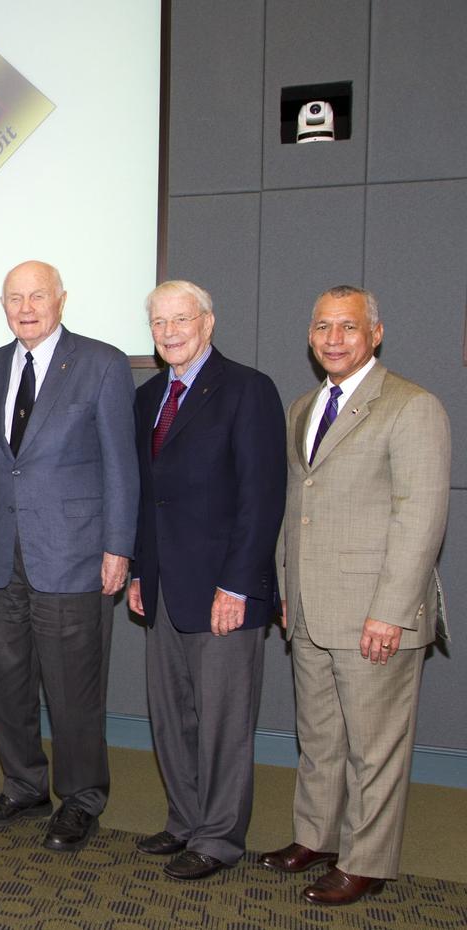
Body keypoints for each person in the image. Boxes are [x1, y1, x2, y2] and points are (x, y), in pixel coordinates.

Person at [261, 285, 450, 905]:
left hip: (375, 614)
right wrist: (289, 588)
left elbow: (419, 521)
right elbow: (297, 509)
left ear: (376, 333)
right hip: (312, 608)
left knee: (374, 750)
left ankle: (365, 860)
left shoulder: (411, 407)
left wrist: (391, 613)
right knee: (318, 738)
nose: (333, 339)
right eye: (322, 327)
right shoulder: (302, 408)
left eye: (347, 327)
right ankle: (314, 837)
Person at [0, 260, 137, 850]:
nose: (27, 307)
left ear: (62, 299)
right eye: (15, 298)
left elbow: (120, 462)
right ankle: (23, 784)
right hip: (4, 555)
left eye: (38, 295)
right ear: (3, 305)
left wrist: (118, 547)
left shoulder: (102, 363)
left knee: (72, 690)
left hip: (74, 553)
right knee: (7, 683)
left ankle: (81, 799)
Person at [126, 281, 286, 880]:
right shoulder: (147, 399)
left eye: (181, 319)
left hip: (224, 588)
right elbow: (148, 499)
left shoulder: (248, 390)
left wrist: (239, 586)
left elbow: (261, 498)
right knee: (171, 713)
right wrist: (142, 572)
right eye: (158, 322)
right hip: (164, 585)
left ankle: (219, 839)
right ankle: (184, 821)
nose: (169, 331)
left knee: (222, 720)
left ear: (208, 322)